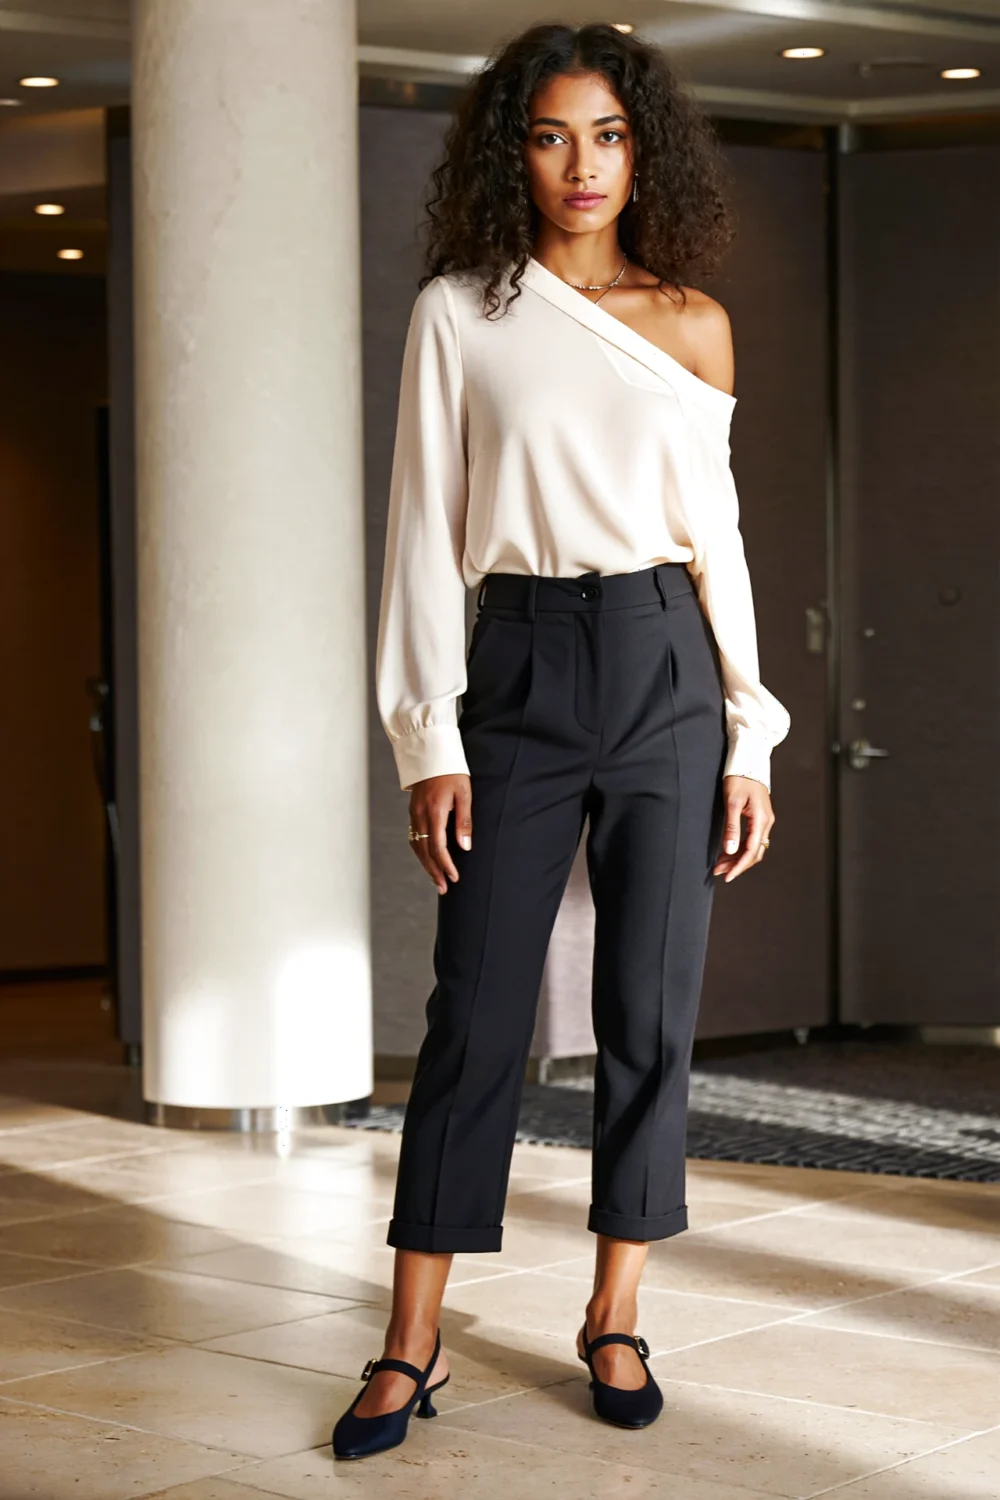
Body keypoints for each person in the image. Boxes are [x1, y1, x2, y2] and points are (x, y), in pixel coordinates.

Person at [332, 20, 790, 1461]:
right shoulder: (461, 313)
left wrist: (749, 737)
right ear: (510, 154)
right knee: (474, 1012)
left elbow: (719, 542)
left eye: (606, 134)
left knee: (649, 1010)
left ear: (641, 150)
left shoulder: (694, 322)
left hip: (666, 667)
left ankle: (616, 1312)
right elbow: (420, 531)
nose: (581, 165)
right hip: (518, 661)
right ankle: (411, 1339)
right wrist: (428, 736)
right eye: (549, 135)